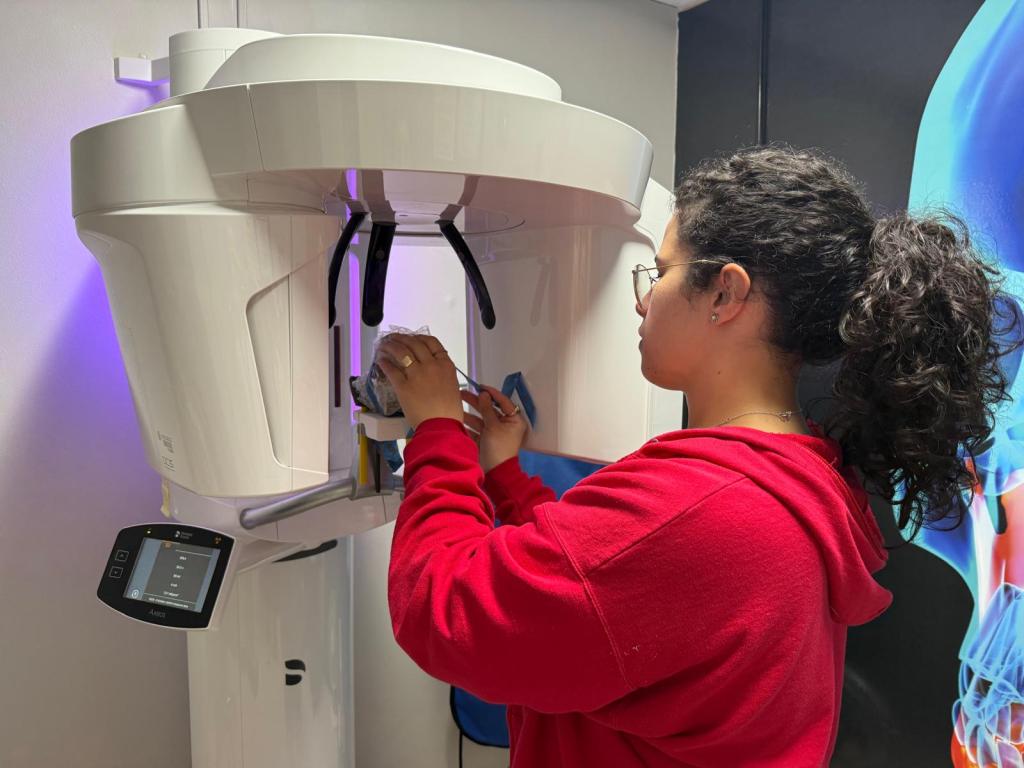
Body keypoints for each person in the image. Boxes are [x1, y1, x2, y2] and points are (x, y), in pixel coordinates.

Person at [375, 145, 1013, 767]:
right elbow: (598, 592)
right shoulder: (799, 472)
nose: (641, 299)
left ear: (725, 294)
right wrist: (507, 477)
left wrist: (437, 430)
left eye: (660, 273)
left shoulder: (696, 507)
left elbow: (441, 609)